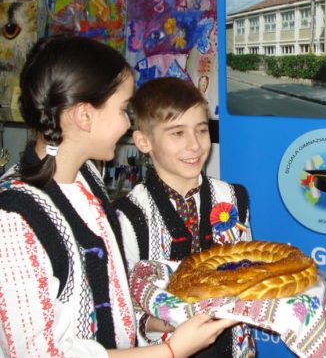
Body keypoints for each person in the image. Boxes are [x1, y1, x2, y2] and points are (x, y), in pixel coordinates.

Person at [0, 35, 235, 357]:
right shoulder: (14, 218)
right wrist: (171, 351)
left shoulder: (85, 177)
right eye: (124, 110)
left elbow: (108, 304)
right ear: (85, 116)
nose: (127, 124)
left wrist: (156, 323)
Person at [114, 77, 255, 357]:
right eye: (177, 133)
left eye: (201, 130)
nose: (194, 145)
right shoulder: (127, 216)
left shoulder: (233, 197)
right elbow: (122, 308)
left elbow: (246, 266)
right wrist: (159, 322)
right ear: (143, 141)